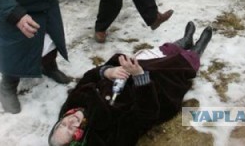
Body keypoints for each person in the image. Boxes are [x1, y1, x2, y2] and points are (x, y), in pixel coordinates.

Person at [48, 22, 213, 146]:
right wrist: (140, 78)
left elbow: (87, 79)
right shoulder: (108, 138)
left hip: (123, 75)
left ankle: (184, 41)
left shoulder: (70, 108)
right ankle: (197, 49)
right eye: (70, 129)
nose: (69, 121)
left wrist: (106, 72)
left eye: (62, 124)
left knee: (154, 55)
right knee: (173, 68)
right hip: (151, 91)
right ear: (79, 139)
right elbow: (147, 114)